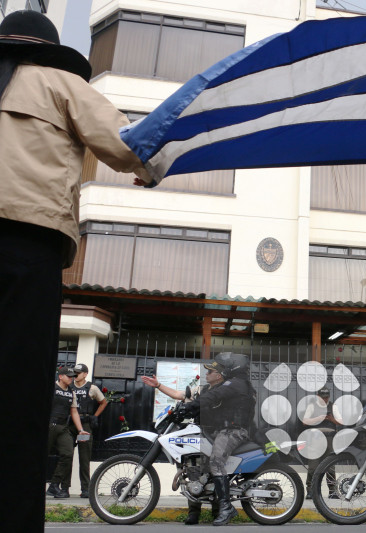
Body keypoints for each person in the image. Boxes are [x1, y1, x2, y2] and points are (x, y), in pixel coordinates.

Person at [0, 11, 154, 530]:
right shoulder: (58, 82)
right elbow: (128, 142)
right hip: (25, 244)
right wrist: (149, 169)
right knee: (20, 396)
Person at [141, 352, 256, 526]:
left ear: (220, 374)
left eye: (210, 371)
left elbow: (211, 400)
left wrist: (191, 406)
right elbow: (182, 395)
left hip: (231, 431)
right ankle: (195, 510)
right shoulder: (207, 388)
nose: (207, 374)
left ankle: (224, 508)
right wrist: (159, 386)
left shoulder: (232, 385)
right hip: (210, 432)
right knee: (197, 469)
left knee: (216, 462)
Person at [47, 367, 89, 499]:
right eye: (69, 376)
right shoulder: (52, 388)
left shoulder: (71, 393)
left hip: (63, 427)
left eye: (72, 376)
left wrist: (81, 429)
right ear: (60, 376)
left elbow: (74, 412)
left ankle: (54, 485)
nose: (71, 378)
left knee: (68, 454)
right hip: (49, 426)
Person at [67, 363, 107, 498]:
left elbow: (104, 402)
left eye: (78, 372)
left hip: (85, 426)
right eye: (74, 372)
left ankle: (85, 489)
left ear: (85, 374)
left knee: (84, 458)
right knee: (67, 456)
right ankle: (64, 488)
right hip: (70, 425)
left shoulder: (92, 388)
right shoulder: (68, 386)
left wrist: (95, 416)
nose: (75, 375)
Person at [301, 387, 341, 499]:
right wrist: (318, 418)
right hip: (315, 437)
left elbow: (341, 422)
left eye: (326, 397)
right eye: (322, 397)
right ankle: (310, 491)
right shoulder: (312, 406)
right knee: (313, 466)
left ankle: (332, 491)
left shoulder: (333, 406)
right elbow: (305, 421)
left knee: (330, 466)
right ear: (318, 396)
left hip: (330, 438)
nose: (324, 399)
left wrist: (330, 419)